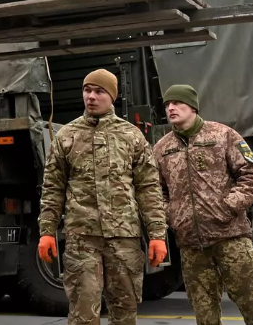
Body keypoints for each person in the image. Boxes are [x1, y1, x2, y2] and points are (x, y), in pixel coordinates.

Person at [37, 68, 168, 324]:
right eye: (87, 90)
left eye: (99, 91)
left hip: (123, 239)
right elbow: (53, 188)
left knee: (124, 313)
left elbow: (149, 188)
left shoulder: (131, 136)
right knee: (83, 314)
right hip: (82, 239)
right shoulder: (67, 136)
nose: (91, 96)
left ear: (112, 97)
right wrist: (47, 231)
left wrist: (157, 235)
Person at [152, 84, 253, 325]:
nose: (171, 108)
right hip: (191, 245)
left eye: (177, 103)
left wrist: (228, 207)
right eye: (167, 104)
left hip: (230, 239)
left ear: (193, 107)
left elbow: (252, 175)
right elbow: (156, 190)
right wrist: (173, 214)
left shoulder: (222, 135)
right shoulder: (162, 148)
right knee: (204, 315)